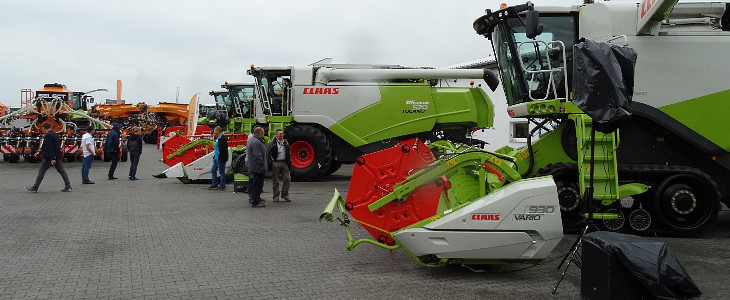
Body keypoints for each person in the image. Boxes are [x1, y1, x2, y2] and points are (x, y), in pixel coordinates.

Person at [25, 122, 72, 192]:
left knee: (42, 171)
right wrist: (40, 152)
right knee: (62, 171)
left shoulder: (49, 136)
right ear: (51, 127)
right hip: (56, 156)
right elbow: (55, 147)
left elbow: (50, 148)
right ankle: (68, 186)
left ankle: (35, 187)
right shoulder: (55, 134)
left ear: (44, 128)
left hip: (49, 157)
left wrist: (52, 158)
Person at [266, 129, 291, 202]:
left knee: (287, 179)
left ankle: (285, 194)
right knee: (276, 181)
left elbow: (289, 152)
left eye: (282, 134)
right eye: (280, 134)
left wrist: (289, 161)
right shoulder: (272, 142)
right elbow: (268, 153)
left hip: (284, 163)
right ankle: (276, 196)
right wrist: (272, 162)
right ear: (276, 135)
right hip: (276, 163)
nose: (282, 135)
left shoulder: (285, 142)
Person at [246, 126, 267, 207]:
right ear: (260, 133)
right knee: (257, 184)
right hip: (257, 167)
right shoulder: (256, 142)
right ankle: (255, 201)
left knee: (256, 183)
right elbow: (257, 155)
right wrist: (262, 164)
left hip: (254, 166)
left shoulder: (253, 140)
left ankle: (256, 198)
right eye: (263, 132)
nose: (264, 134)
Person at [208, 126, 228, 190]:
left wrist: (219, 157)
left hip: (219, 158)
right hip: (216, 157)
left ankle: (222, 184)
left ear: (217, 131)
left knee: (221, 172)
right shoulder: (218, 138)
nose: (214, 132)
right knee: (213, 170)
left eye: (214, 131)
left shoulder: (221, 139)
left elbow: (223, 150)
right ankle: (214, 183)